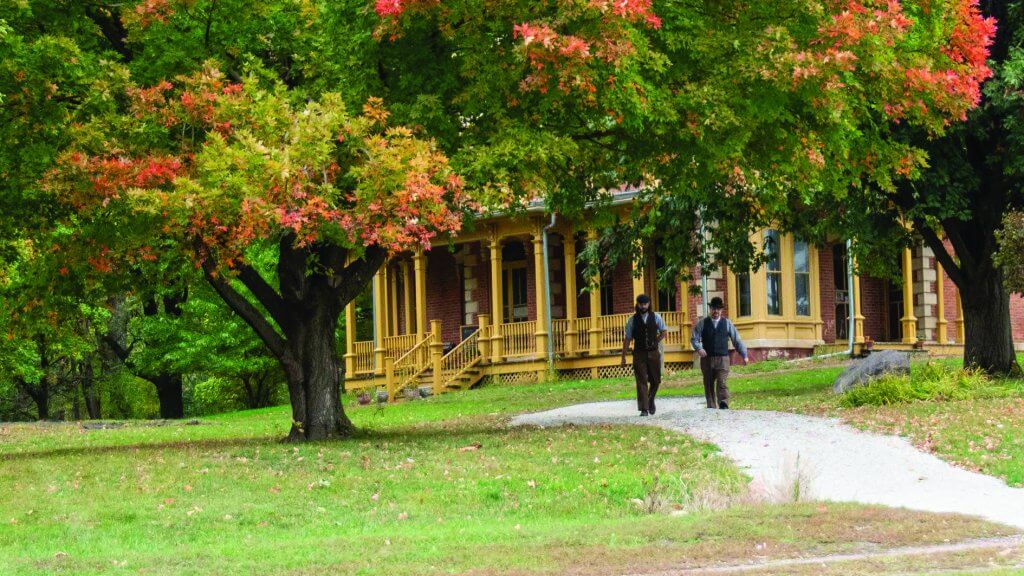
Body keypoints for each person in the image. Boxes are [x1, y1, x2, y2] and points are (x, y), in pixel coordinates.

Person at [691, 296, 748, 409]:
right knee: (708, 384)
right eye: (713, 308)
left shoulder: (727, 323)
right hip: (707, 359)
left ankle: (723, 403)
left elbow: (736, 340)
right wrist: (699, 348)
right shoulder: (702, 323)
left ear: (721, 310)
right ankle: (711, 406)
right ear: (710, 309)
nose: (715, 311)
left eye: (718, 309)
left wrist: (744, 355)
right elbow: (694, 338)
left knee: (722, 382)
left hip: (723, 359)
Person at [620, 294, 668, 416]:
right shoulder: (632, 320)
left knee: (656, 380)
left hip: (653, 353)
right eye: (641, 304)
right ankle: (644, 409)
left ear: (649, 304)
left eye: (645, 304)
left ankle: (650, 399)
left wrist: (656, 341)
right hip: (639, 353)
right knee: (641, 381)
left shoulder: (656, 317)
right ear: (637, 305)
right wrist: (623, 357)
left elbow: (664, 332)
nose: (643, 306)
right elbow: (628, 338)